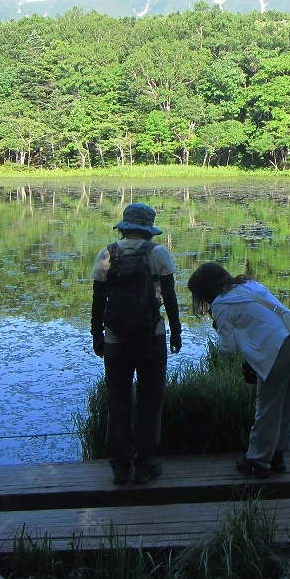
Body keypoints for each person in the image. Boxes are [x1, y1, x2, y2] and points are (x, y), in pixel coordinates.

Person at [187, 262, 290, 479]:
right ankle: (277, 455)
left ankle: (258, 461)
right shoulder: (250, 285)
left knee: (267, 407)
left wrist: (223, 333)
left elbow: (228, 349)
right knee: (288, 404)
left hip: (277, 350)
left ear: (204, 291)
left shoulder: (221, 303)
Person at [90, 203, 181, 485]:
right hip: (151, 337)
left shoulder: (107, 254)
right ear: (148, 230)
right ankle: (146, 463)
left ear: (124, 227)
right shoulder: (158, 253)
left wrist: (96, 335)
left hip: (115, 339)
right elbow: (170, 297)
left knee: (118, 400)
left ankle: (120, 465)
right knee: (150, 399)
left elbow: (98, 300)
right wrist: (176, 332)